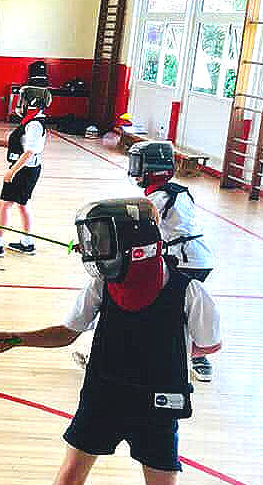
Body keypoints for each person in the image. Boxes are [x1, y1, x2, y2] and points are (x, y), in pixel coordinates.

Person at [0, 197, 221, 485]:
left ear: (134, 246)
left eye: (102, 240)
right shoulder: (102, 287)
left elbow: (207, 345)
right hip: (103, 398)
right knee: (67, 482)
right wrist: (19, 338)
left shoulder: (189, 293)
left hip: (155, 410)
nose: (93, 249)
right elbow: (67, 333)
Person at [75, 141, 217, 381]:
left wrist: (99, 247)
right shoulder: (176, 192)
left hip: (184, 259)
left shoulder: (158, 200)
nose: (134, 170)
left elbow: (133, 230)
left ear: (153, 169)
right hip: (197, 257)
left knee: (154, 309)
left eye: (138, 164)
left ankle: (193, 359)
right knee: (173, 310)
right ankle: (196, 358)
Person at [0, 85, 49, 257]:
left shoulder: (35, 125)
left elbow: (29, 152)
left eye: (22, 100)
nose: (19, 103)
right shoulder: (30, 121)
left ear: (32, 102)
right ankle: (27, 243)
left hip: (25, 170)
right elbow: (20, 144)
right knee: (21, 205)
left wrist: (12, 171)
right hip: (25, 169)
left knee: (5, 205)